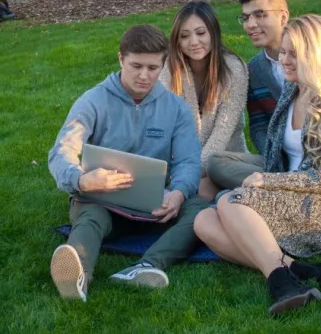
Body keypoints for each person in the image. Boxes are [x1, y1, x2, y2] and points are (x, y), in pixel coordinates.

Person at [194, 14, 321, 315]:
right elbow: (274, 152)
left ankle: (280, 282)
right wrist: (269, 179)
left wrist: (270, 183)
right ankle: (304, 272)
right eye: (284, 52)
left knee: (231, 202)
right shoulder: (295, 90)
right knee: (203, 221)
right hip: (290, 188)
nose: (285, 60)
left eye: (295, 53)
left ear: (317, 54)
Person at [48, 25, 209, 302]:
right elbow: (61, 152)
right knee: (91, 217)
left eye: (152, 68)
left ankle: (147, 267)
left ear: (162, 66)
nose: (144, 76)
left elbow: (189, 161)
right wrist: (82, 180)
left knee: (200, 210)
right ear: (121, 59)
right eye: (136, 66)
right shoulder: (93, 100)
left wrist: (179, 192)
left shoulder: (176, 108)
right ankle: (77, 278)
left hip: (155, 206)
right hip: (102, 202)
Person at [205, 0, 321, 193]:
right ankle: (271, 185)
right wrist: (275, 156)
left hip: (320, 165)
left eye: (260, 15)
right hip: (279, 159)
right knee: (216, 163)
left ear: (283, 17)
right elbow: (258, 126)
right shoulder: (255, 70)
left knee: (221, 195)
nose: (251, 24)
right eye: (246, 17)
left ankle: (268, 190)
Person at [158, 2, 249, 201]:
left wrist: (187, 177)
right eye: (185, 36)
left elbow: (221, 135)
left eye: (201, 33)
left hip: (224, 160)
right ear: (177, 40)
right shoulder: (169, 70)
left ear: (213, 33)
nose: (193, 41)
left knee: (199, 191)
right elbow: (165, 129)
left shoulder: (234, 69)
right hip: (181, 163)